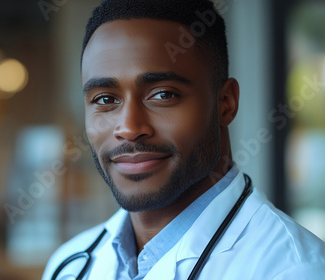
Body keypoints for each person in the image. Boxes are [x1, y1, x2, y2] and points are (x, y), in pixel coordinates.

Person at [42, 0, 325, 279]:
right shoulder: (69, 266)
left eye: (163, 95)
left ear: (225, 103)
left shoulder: (293, 269)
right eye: (105, 99)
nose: (128, 128)